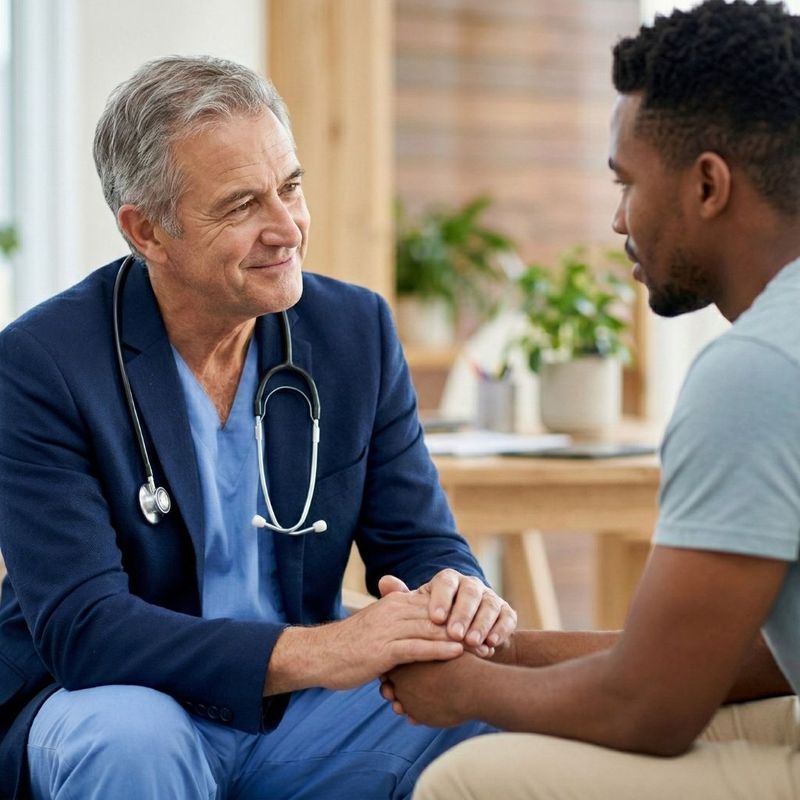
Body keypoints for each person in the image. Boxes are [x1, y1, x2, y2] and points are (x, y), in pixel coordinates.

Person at [0, 56, 515, 799]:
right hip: (112, 696)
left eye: (292, 186)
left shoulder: (353, 331)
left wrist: (458, 592)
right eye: (242, 205)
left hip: (297, 711)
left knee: (487, 709)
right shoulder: (42, 363)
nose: (287, 228)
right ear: (147, 231)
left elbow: (420, 543)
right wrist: (320, 650)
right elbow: (86, 630)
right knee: (133, 740)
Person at [382, 1, 800, 797]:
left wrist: (462, 689)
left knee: (467, 776)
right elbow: (749, 655)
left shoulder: (756, 370)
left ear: (708, 184)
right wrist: (508, 653)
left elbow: (651, 707)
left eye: (627, 182)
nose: (617, 219)